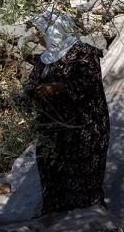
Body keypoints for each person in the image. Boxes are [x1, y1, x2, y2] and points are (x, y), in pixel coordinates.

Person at [22, 11, 110, 215]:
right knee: (51, 168)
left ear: (55, 31)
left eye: (41, 32)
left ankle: (86, 220)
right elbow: (31, 84)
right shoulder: (44, 59)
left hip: (83, 128)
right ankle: (56, 218)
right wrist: (29, 93)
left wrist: (59, 88)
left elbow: (88, 84)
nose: (38, 37)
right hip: (51, 129)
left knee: (82, 174)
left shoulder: (83, 53)